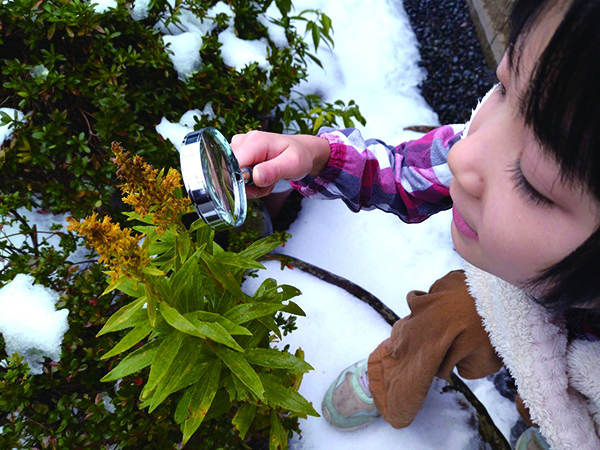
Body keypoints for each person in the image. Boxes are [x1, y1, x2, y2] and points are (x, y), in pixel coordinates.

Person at [230, 0, 600, 448]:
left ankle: (551, 427)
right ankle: (391, 373)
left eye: (534, 181)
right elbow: (404, 174)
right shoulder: (483, 148)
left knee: (561, 411)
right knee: (444, 316)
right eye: (504, 87)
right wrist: (320, 158)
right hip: (508, 298)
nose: (463, 154)